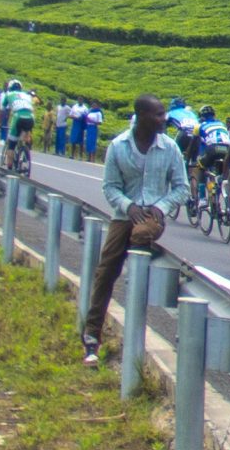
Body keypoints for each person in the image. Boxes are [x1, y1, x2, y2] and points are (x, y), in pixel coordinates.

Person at [81, 95, 190, 364]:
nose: (164, 119)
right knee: (105, 270)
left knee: (140, 234)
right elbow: (110, 187)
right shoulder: (118, 146)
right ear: (141, 117)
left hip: (152, 216)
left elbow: (182, 188)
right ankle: (91, 336)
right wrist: (128, 206)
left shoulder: (170, 148)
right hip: (124, 215)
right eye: (158, 114)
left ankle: (137, 275)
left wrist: (161, 208)